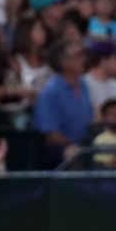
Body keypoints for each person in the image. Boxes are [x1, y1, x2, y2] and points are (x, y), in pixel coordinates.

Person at [33, 38, 93, 168]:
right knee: (72, 154)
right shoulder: (50, 92)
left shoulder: (83, 84)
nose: (83, 59)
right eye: (78, 56)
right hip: (59, 151)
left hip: (85, 144)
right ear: (63, 62)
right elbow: (50, 134)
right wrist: (73, 146)